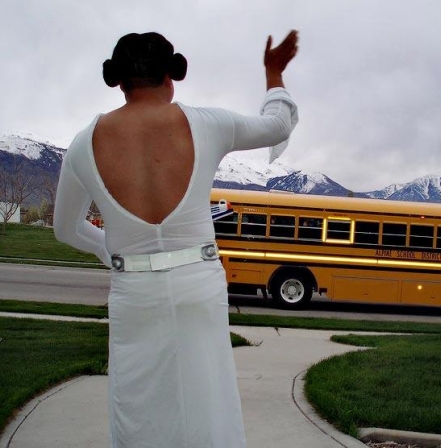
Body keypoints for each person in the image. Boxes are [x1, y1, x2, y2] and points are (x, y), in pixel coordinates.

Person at [54, 30, 298, 447]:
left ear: (120, 81)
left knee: (138, 402)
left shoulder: (83, 143)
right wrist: (273, 72)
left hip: (133, 291)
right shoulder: (208, 124)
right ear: (172, 76)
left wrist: (110, 250)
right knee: (208, 398)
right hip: (197, 285)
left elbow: (65, 228)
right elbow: (277, 125)